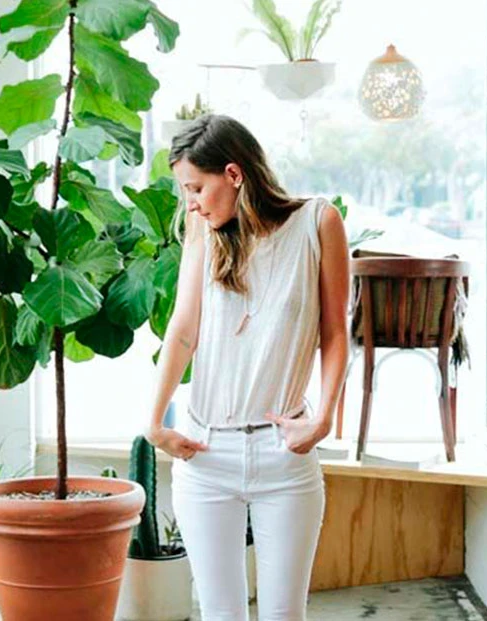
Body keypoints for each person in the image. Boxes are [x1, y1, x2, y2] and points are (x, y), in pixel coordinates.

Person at [145, 114, 349, 621]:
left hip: (284, 453)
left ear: (234, 174)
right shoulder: (204, 231)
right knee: (221, 614)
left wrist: (324, 419)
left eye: (196, 187)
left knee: (284, 614)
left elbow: (334, 333)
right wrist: (154, 421)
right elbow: (183, 329)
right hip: (206, 452)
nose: (191, 203)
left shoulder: (318, 223)